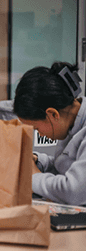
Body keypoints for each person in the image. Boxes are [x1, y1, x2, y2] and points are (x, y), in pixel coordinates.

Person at [13, 61, 86, 206]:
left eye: (36, 128)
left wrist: (33, 176)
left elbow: (74, 191)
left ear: (53, 114)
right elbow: (68, 166)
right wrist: (38, 161)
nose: (38, 133)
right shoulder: (73, 123)